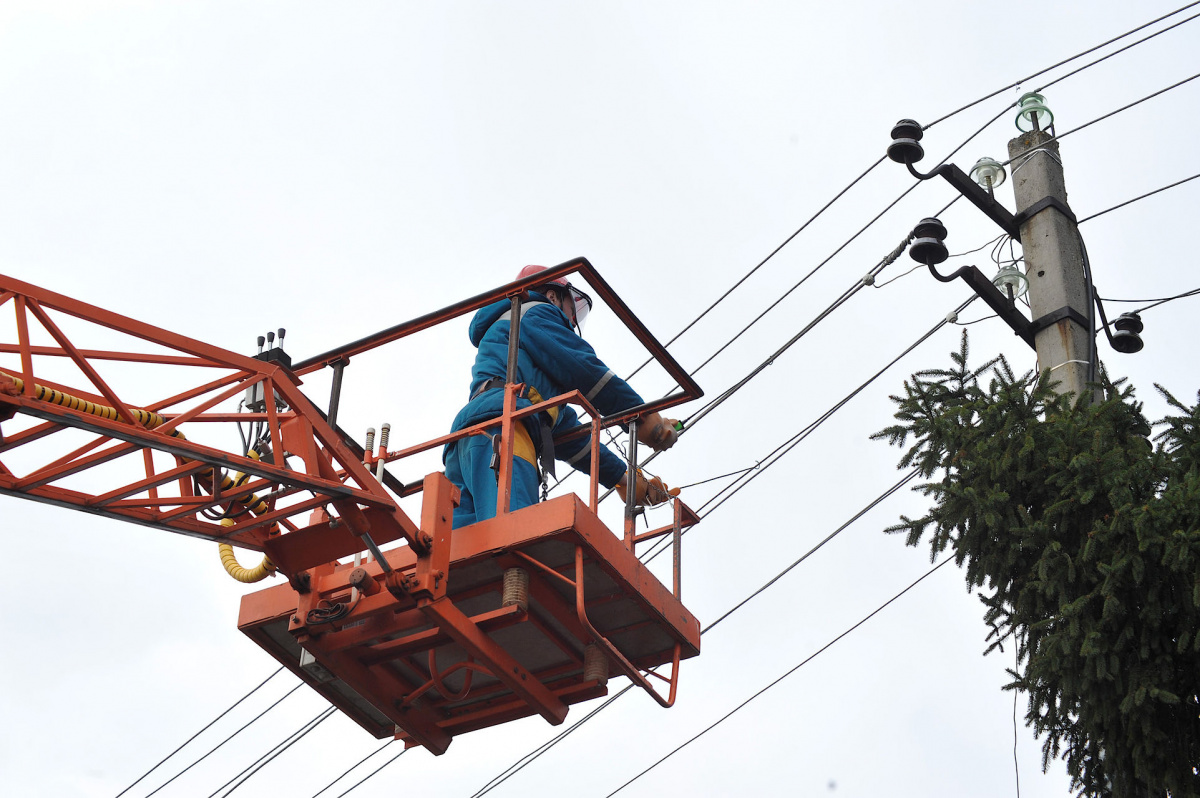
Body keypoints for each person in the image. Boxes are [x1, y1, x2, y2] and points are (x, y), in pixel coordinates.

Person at [443, 265, 681, 529]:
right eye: (572, 309)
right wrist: (643, 416)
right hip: (505, 430)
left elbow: (570, 435)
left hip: (470, 438)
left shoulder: (530, 378)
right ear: (553, 296)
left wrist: (623, 479)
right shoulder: (535, 310)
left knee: (458, 552)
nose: (570, 321)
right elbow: (583, 368)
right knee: (513, 536)